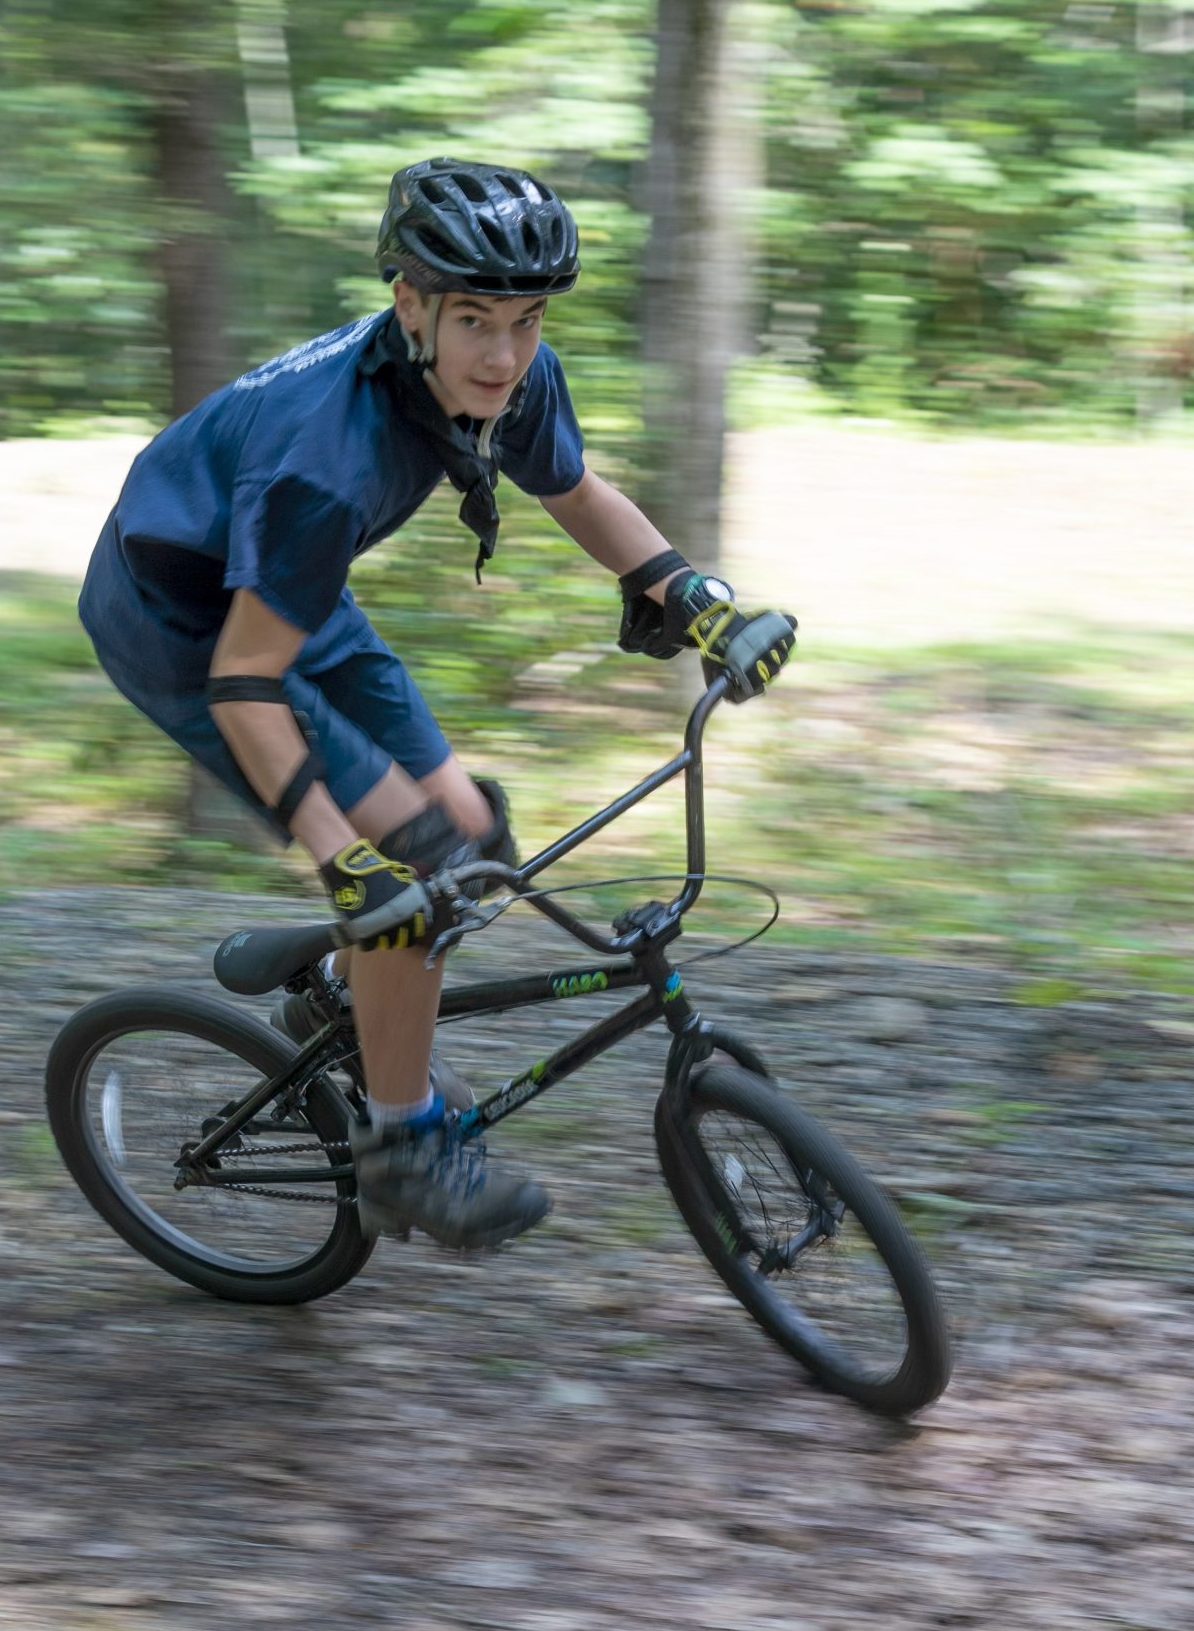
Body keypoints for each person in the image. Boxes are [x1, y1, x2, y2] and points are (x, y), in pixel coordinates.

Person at [78, 157, 795, 1251]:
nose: (503, 353)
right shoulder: (322, 457)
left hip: (289, 591)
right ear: (407, 304)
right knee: (405, 874)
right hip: (180, 621)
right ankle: (403, 1145)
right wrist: (340, 856)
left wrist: (694, 598)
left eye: (525, 319)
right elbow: (241, 680)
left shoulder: (513, 371)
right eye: (472, 319)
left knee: (469, 839)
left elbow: (574, 491)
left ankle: (336, 990)